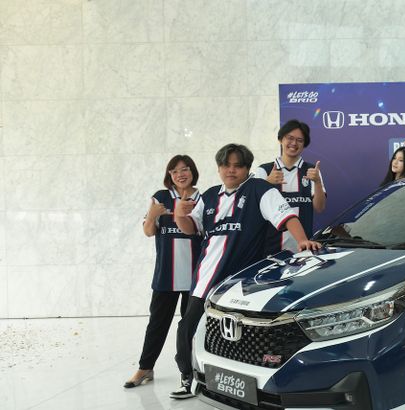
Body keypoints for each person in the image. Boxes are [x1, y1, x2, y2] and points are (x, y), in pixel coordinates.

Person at [168, 143, 322, 399]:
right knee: (188, 328)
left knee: (239, 335)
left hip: (241, 282)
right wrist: (179, 216)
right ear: (218, 168)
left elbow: (287, 217)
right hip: (205, 278)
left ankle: (243, 384)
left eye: (238, 165)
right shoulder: (208, 196)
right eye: (226, 165)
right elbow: (190, 228)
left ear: (247, 168)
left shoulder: (259, 189)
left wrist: (303, 240)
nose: (231, 170)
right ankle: (187, 377)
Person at [124, 155, 202, 389]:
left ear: (192, 171)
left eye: (184, 169)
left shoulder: (203, 198)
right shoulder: (160, 197)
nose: (180, 174)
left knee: (190, 328)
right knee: (157, 324)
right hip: (166, 276)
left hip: (195, 277)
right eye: (174, 171)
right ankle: (145, 368)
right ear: (169, 175)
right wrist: (152, 215)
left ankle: (190, 371)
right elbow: (149, 232)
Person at [252, 119, 326, 254]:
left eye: (299, 140)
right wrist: (266, 183)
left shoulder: (312, 170)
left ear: (304, 144)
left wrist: (317, 182)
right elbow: (253, 210)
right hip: (269, 249)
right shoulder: (264, 170)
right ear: (280, 139)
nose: (294, 143)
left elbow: (319, 208)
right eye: (290, 138)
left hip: (303, 248)